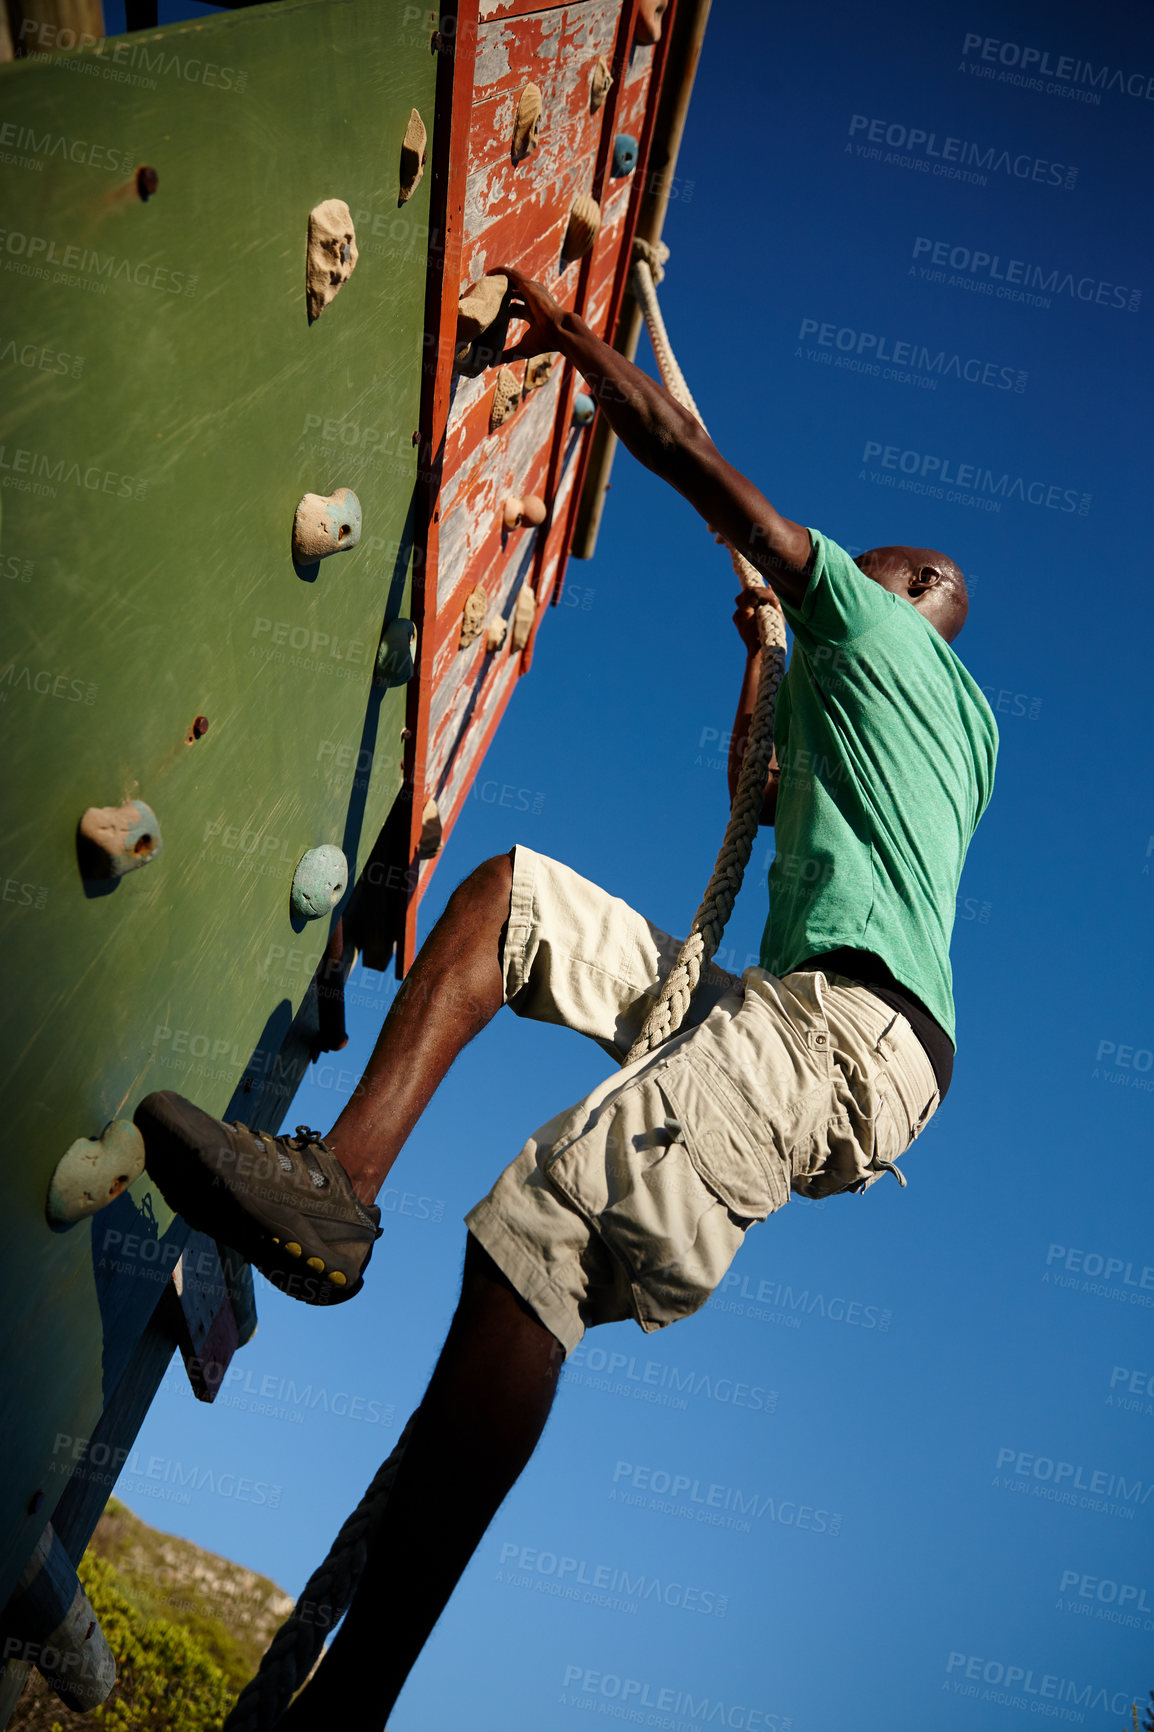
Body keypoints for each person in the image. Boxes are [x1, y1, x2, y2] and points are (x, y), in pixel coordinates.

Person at [135, 268, 997, 1727]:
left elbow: (683, 454)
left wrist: (572, 335)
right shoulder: (886, 712)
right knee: (510, 904)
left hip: (841, 1041)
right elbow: (755, 791)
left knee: (543, 1225)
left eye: (876, 563)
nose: (852, 564)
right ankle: (334, 1192)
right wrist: (759, 666)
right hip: (786, 1009)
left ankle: (360, 1698)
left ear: (916, 596)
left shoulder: (899, 637)